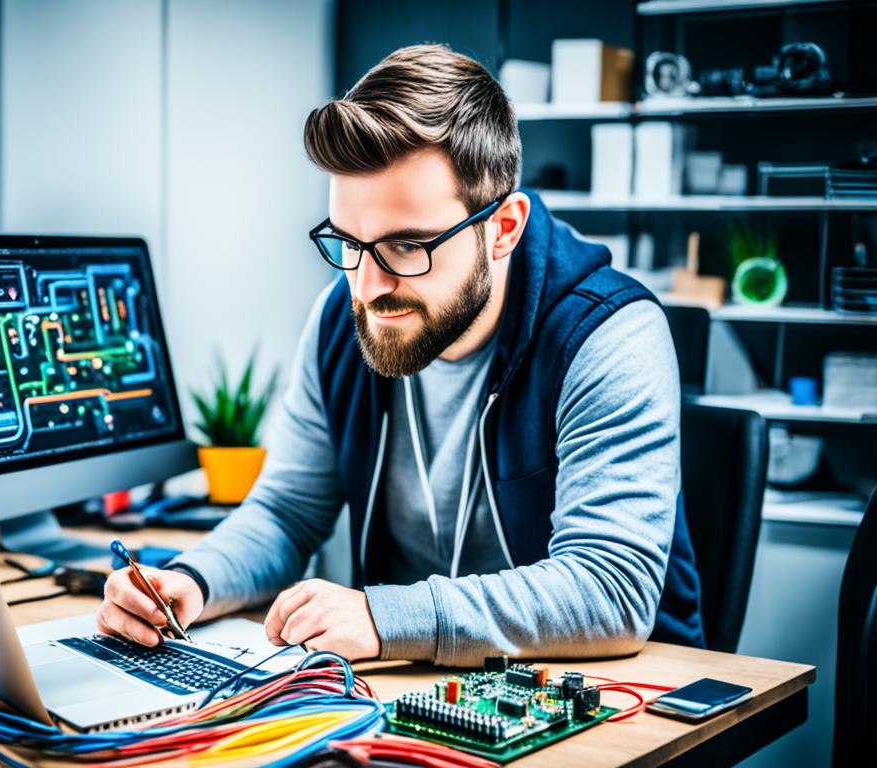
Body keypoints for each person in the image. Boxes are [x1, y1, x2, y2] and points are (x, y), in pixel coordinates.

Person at [97, 44, 704, 666]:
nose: (368, 286)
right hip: (404, 688)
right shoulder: (342, 316)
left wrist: (382, 616)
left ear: (504, 228)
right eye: (349, 243)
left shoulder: (607, 333)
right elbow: (286, 512)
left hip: (602, 702)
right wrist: (190, 582)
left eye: (408, 246)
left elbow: (610, 591)